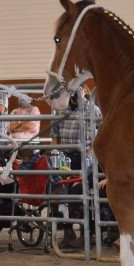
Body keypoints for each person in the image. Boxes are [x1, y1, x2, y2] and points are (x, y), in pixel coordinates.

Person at [51, 87, 101, 248]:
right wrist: (56, 151)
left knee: (80, 192)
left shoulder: (92, 108)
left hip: (85, 156)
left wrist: (90, 151)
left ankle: (87, 233)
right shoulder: (60, 108)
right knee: (61, 193)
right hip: (65, 156)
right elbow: (54, 132)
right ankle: (68, 230)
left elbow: (101, 132)